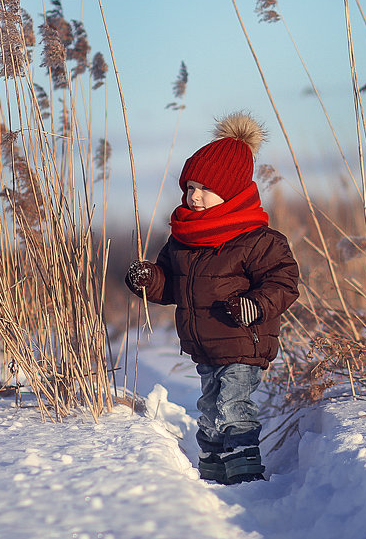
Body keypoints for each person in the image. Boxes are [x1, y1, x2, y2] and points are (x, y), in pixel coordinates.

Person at [125, 112, 300, 484]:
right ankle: (213, 468)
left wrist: (255, 305)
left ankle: (244, 473)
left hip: (242, 338)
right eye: (189, 187)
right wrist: (149, 280)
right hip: (204, 343)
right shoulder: (184, 241)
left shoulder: (258, 240)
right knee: (209, 406)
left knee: (232, 404)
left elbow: (283, 282)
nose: (194, 195)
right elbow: (172, 285)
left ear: (232, 191)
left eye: (204, 187)